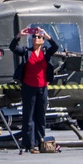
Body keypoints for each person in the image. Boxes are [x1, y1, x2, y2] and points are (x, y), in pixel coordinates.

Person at [10, 24, 60, 153]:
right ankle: (29, 144)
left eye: (38, 37)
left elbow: (55, 47)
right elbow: (13, 48)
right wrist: (19, 35)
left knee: (40, 116)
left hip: (42, 88)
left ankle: (40, 142)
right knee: (29, 116)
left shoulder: (45, 53)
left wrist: (48, 36)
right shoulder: (27, 51)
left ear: (42, 41)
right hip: (29, 87)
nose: (35, 39)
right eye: (34, 37)